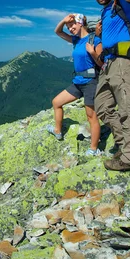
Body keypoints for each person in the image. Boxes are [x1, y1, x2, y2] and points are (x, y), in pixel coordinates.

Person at [89, 0, 130, 171]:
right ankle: (126, 143)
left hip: (124, 61)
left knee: (127, 109)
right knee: (102, 107)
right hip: (109, 63)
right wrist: (99, 36)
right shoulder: (105, 12)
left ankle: (129, 158)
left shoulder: (123, 2)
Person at [47, 13, 102, 157]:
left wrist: (93, 53)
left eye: (72, 25)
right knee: (56, 102)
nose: (70, 28)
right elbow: (57, 32)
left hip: (91, 82)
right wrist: (64, 20)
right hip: (78, 82)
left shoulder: (95, 40)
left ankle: (94, 148)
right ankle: (58, 131)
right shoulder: (76, 40)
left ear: (81, 23)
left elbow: (103, 64)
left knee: (91, 117)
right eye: (68, 26)